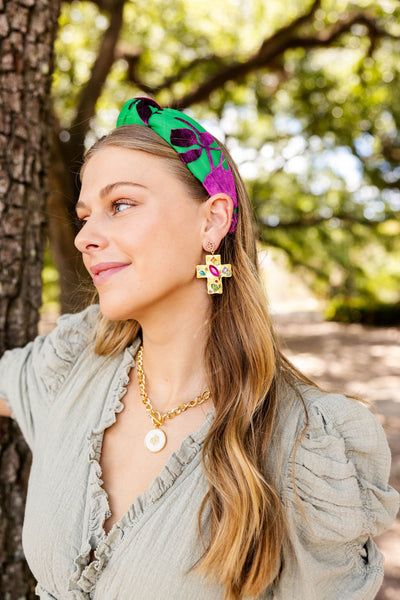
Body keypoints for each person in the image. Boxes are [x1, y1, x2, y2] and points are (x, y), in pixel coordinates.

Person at [0, 96, 398, 600]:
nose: (85, 237)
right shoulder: (75, 363)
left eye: (120, 205)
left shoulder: (306, 447)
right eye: (84, 215)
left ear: (212, 222)